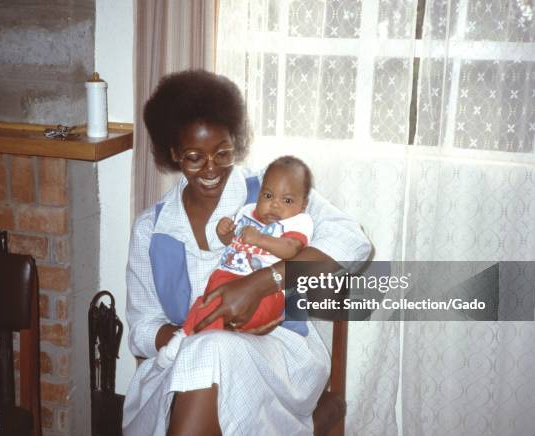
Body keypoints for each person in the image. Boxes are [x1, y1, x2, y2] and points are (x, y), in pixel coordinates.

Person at [123, 69, 372, 436]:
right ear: (173, 154)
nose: (211, 169)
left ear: (235, 143)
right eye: (194, 157)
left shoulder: (271, 193)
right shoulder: (153, 228)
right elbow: (142, 328)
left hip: (277, 356)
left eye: (222, 153)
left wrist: (260, 284)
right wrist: (199, 328)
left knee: (209, 352)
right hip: (184, 360)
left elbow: (352, 241)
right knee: (205, 351)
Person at [155, 156, 315, 368]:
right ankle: (185, 336)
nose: (274, 204)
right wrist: (225, 233)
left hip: (265, 293)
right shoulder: (249, 213)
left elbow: (290, 249)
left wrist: (260, 239)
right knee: (203, 304)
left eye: (287, 200)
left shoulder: (297, 222)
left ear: (303, 204)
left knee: (213, 312)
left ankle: (191, 348)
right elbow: (233, 242)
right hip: (225, 280)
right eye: (268, 195)